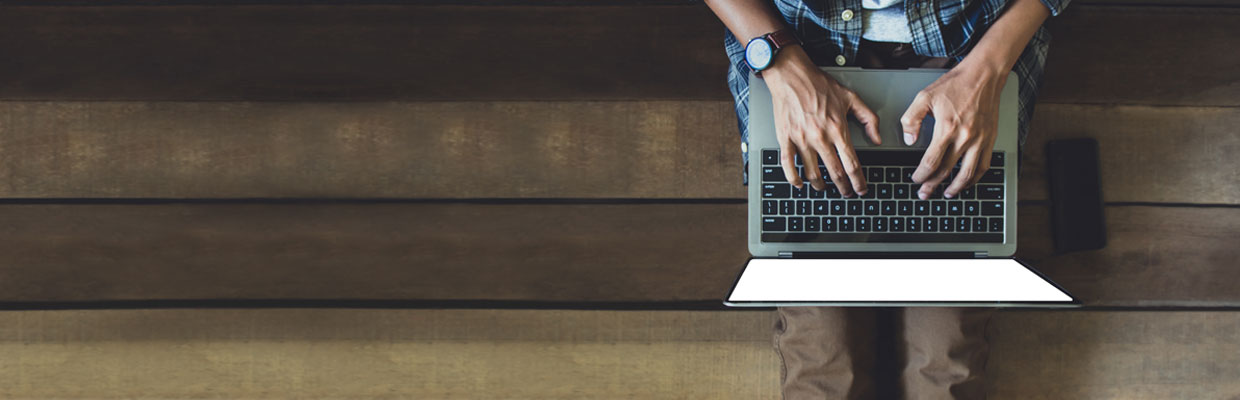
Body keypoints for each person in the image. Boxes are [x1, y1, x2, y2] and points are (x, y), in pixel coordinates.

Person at [703, 0, 1069, 398]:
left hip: (972, 52)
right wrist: (775, 55)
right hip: (796, 48)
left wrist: (990, 68)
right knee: (823, 363)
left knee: (946, 363)